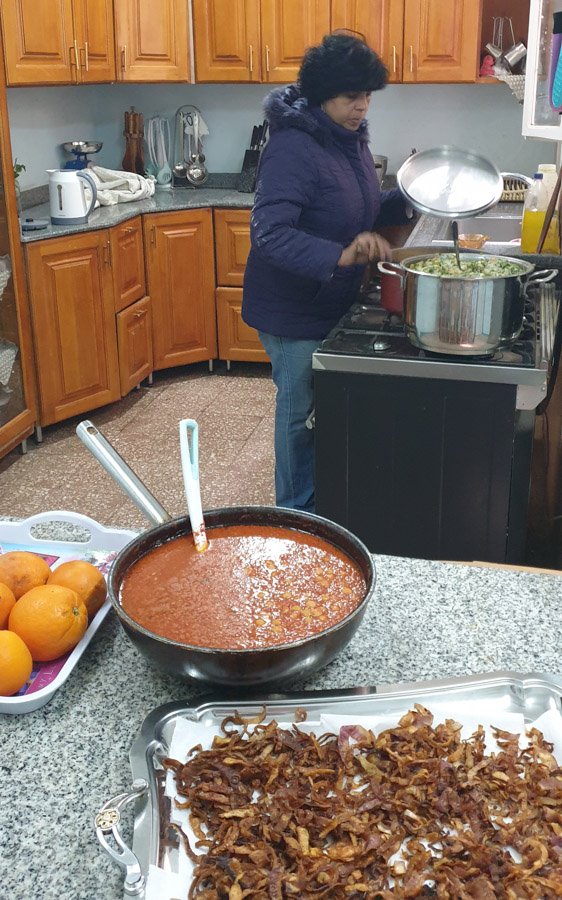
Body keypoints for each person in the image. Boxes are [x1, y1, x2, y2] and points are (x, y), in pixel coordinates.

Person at [242, 32, 412, 513]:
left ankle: (320, 503)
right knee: (299, 413)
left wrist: (411, 193)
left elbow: (359, 206)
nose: (362, 107)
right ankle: (295, 515)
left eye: (367, 96)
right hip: (291, 311)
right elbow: (270, 233)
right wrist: (341, 255)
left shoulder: (348, 138)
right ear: (322, 96)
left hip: (328, 301)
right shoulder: (293, 146)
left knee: (321, 408)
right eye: (351, 96)